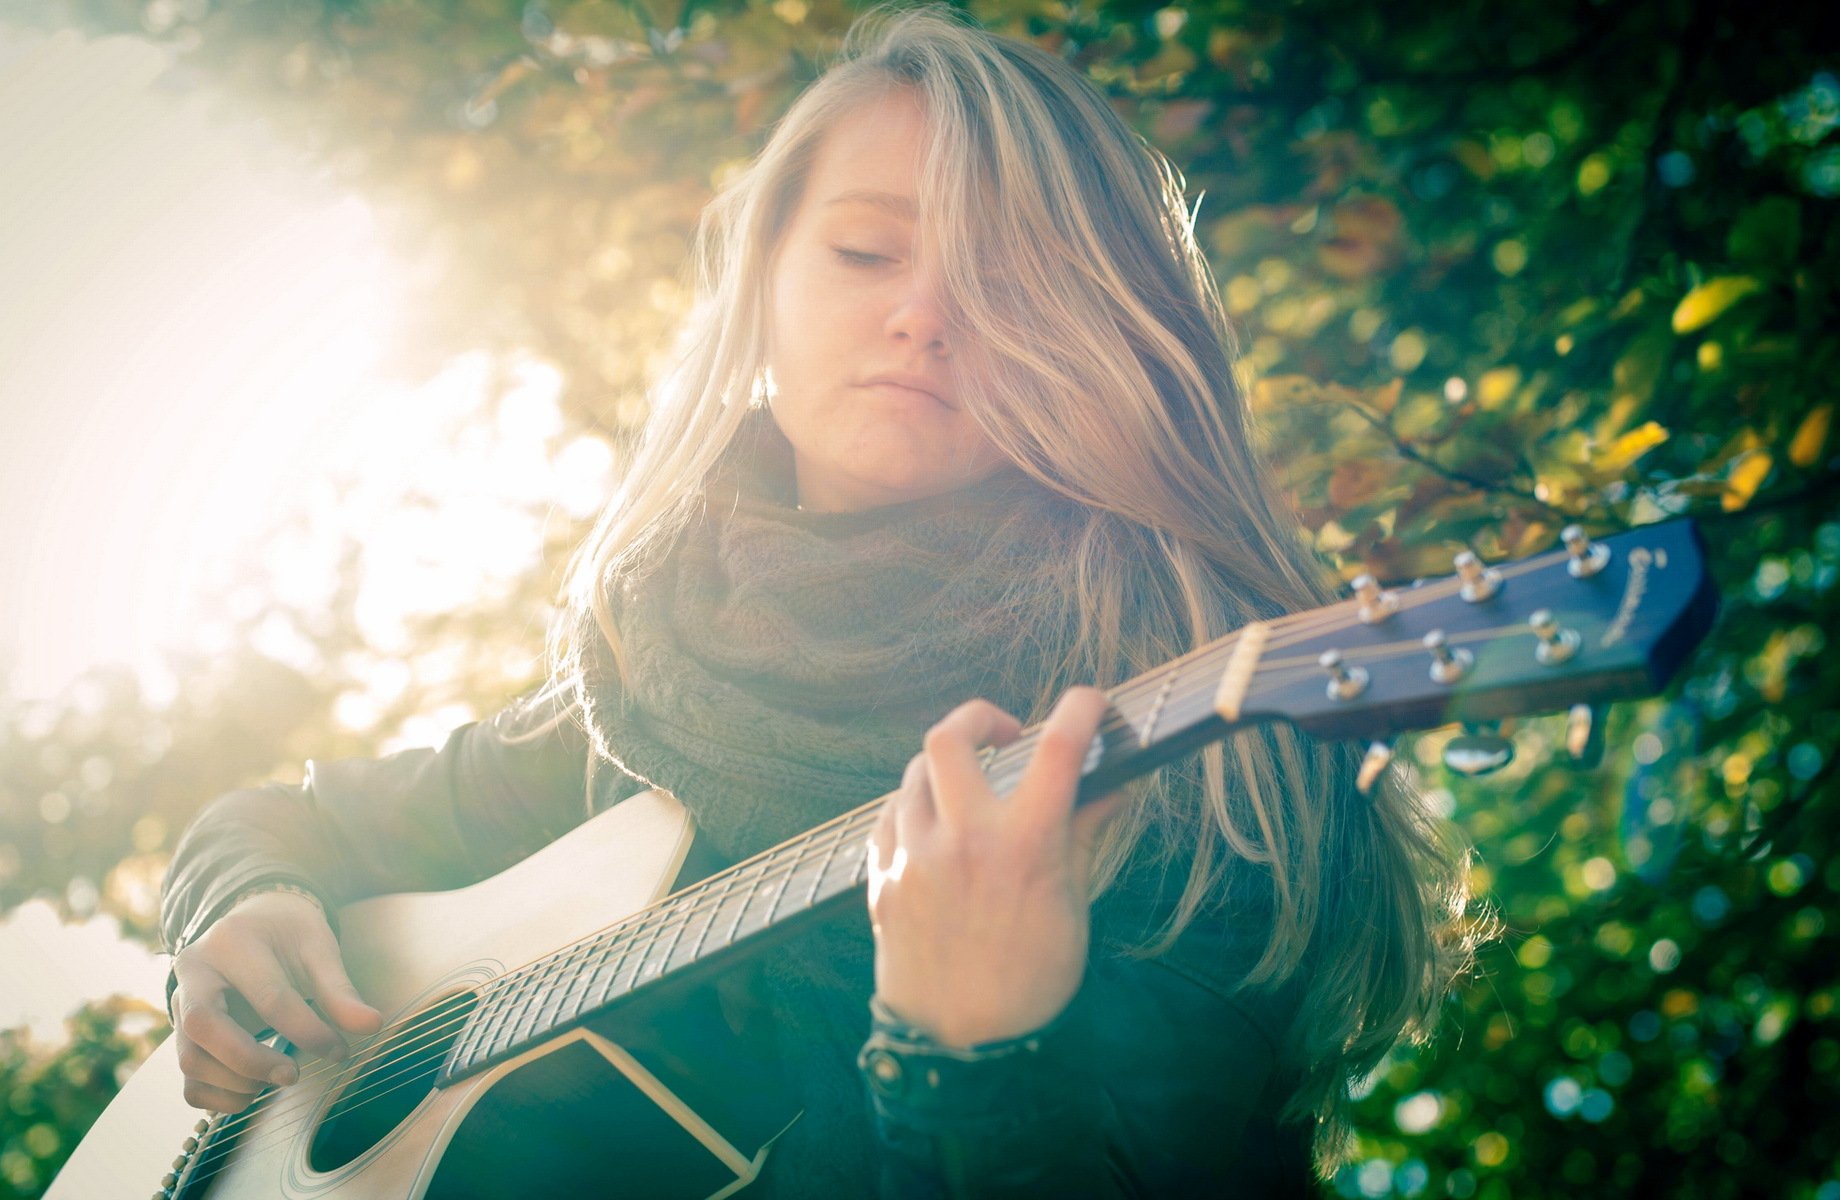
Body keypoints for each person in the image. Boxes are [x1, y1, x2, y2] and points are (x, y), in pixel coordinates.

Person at [159, 4, 1472, 1195]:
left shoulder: (1206, 778)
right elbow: (290, 816)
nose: (923, 316)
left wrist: (979, 1058)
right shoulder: (653, 673)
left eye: (1005, 280)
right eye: (863, 250)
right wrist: (238, 900)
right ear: (763, 281)